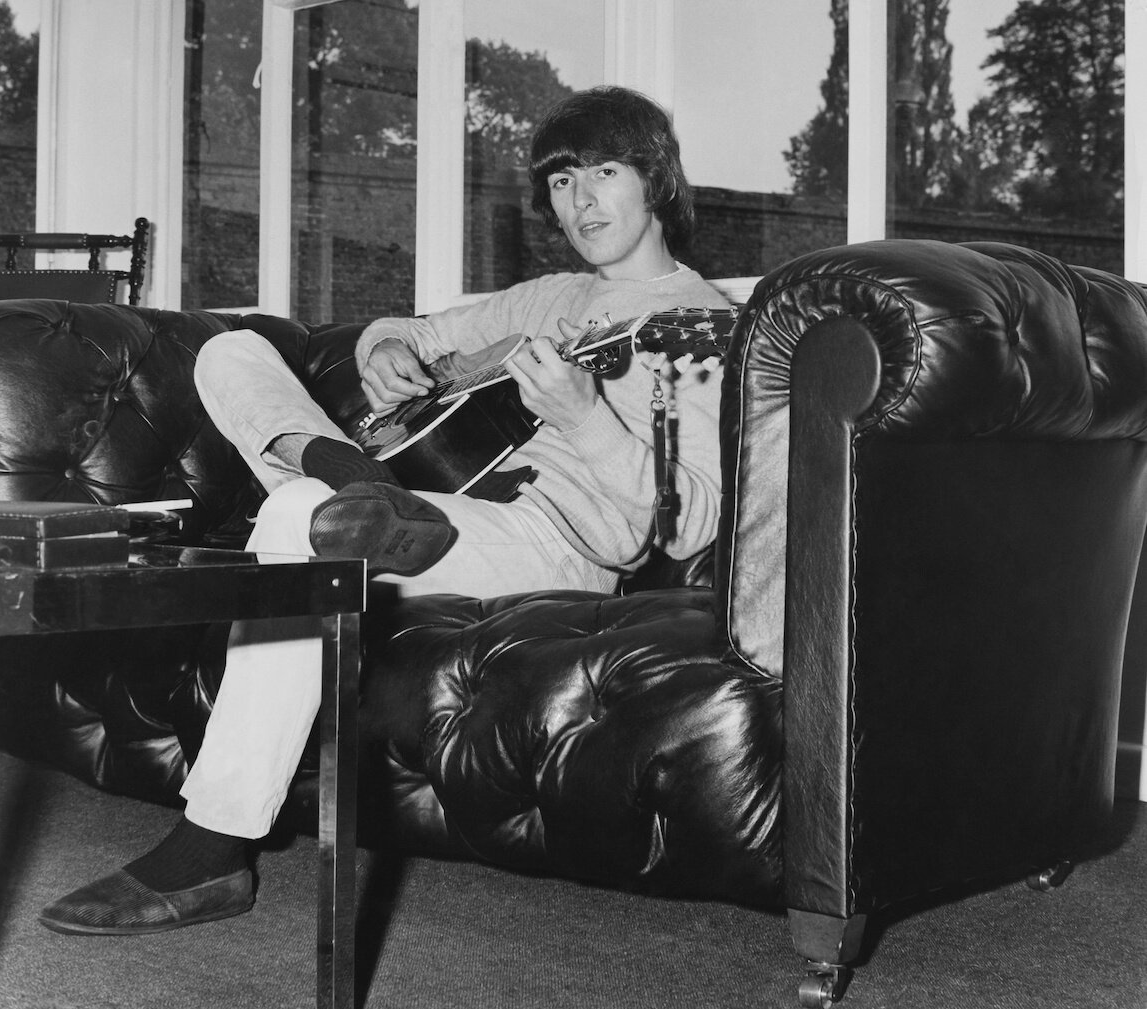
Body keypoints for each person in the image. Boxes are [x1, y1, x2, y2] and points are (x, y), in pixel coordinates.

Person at [38, 84, 733, 935]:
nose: (580, 201)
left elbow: (688, 521)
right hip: (428, 498)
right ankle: (356, 474)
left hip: (550, 537)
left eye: (605, 172)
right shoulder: (549, 296)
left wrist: (584, 414)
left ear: (656, 179)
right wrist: (390, 351)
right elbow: (403, 328)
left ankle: (211, 848)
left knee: (298, 516)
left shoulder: (702, 329)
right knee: (230, 350)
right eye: (560, 181)